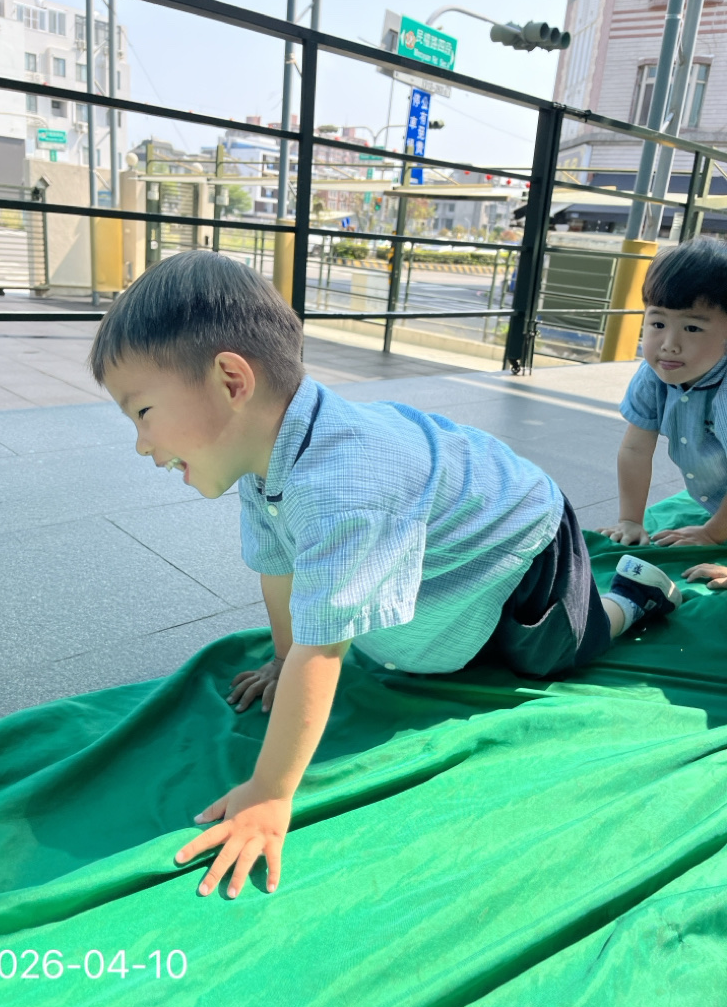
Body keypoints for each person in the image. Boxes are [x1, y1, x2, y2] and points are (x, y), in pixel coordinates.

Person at [89, 251, 681, 901]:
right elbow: (279, 570)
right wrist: (283, 658)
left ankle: (633, 595)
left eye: (142, 413)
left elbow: (324, 651)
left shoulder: (344, 485)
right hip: (452, 552)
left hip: (524, 538)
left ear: (232, 381)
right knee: (472, 649)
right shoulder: (261, 456)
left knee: (554, 653)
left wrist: (269, 794)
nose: (141, 443)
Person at [600, 236, 727, 555]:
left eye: (692, 328)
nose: (669, 344)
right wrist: (630, 520)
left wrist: (713, 534)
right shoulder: (653, 375)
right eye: (657, 323)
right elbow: (635, 449)